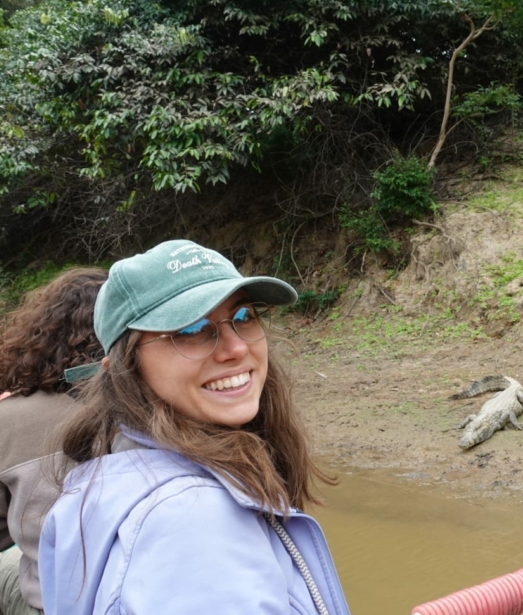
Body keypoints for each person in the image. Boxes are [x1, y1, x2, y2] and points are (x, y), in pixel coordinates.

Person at [38, 240, 349, 614]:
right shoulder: (192, 520)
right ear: (124, 369)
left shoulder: (102, 480)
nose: (235, 348)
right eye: (190, 329)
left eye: (244, 317)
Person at [0, 268, 107, 615]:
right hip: (148, 594)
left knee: (0, 572)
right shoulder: (161, 404)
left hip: (52, 602)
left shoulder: (2, 420)